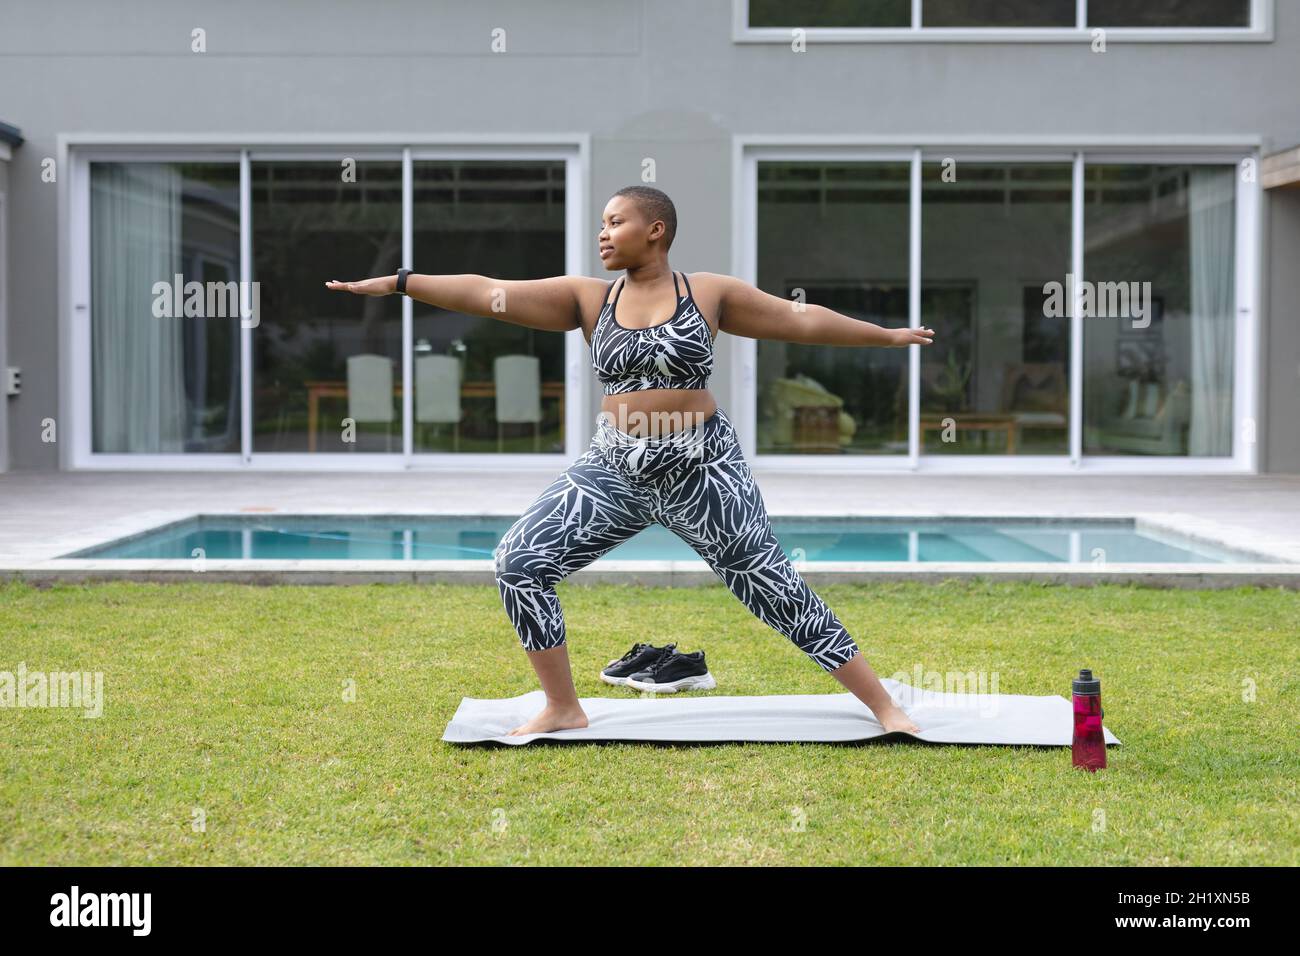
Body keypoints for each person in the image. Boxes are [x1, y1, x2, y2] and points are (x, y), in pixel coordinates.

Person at [327, 185, 935, 737]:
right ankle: (563, 706)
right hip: (615, 467)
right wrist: (403, 281)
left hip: (703, 467)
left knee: (772, 584)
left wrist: (886, 337)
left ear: (656, 229)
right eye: (601, 223)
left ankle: (882, 706)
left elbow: (799, 319)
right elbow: (491, 294)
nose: (602, 233)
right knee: (518, 561)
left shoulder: (709, 293)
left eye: (615, 221)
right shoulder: (588, 298)